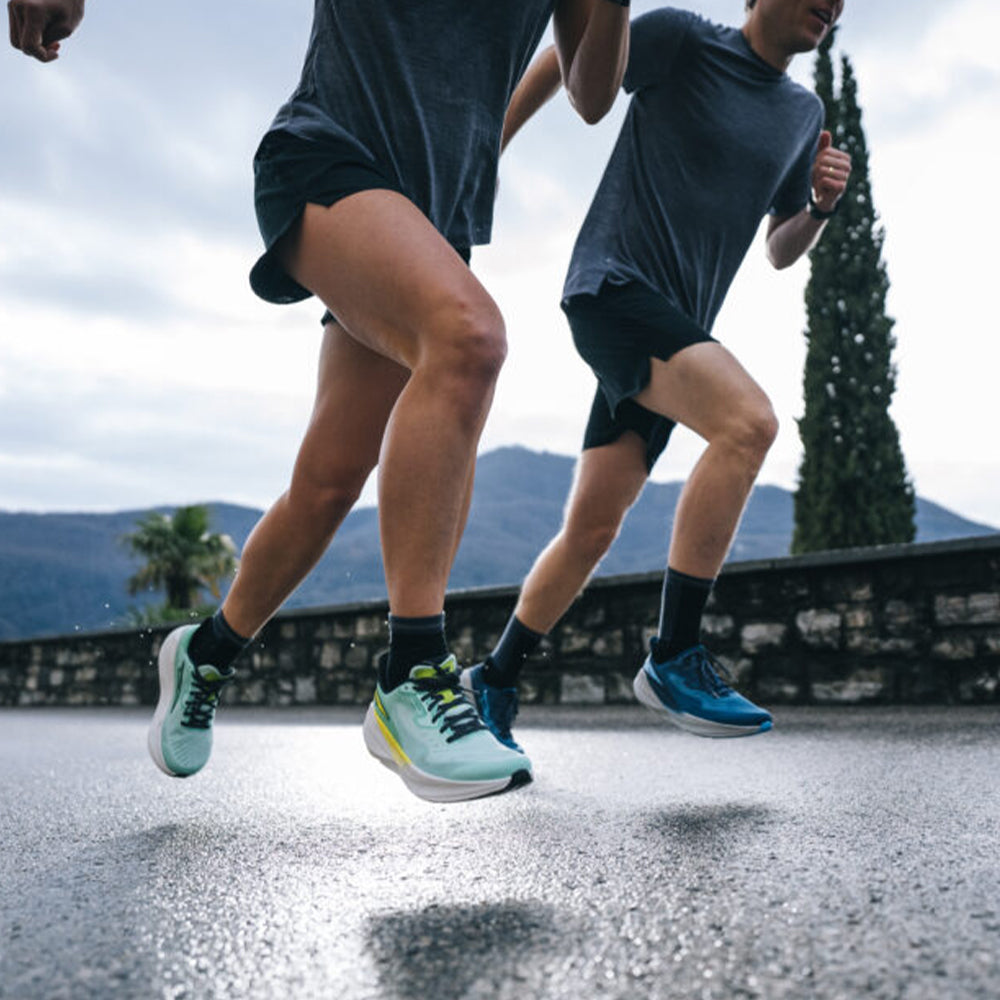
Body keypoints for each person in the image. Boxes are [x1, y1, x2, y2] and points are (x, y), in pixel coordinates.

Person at [9, 0, 632, 801]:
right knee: (469, 340)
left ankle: (207, 652)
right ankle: (413, 671)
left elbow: (591, 93)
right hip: (328, 155)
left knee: (329, 482)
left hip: (431, 215)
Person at [461, 0, 851, 753]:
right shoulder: (684, 40)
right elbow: (566, 61)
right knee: (748, 424)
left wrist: (819, 206)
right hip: (614, 288)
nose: (834, 4)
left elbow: (779, 247)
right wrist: (487, 147)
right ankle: (674, 653)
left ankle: (495, 678)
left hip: (675, 329)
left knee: (591, 529)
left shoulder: (805, 114)